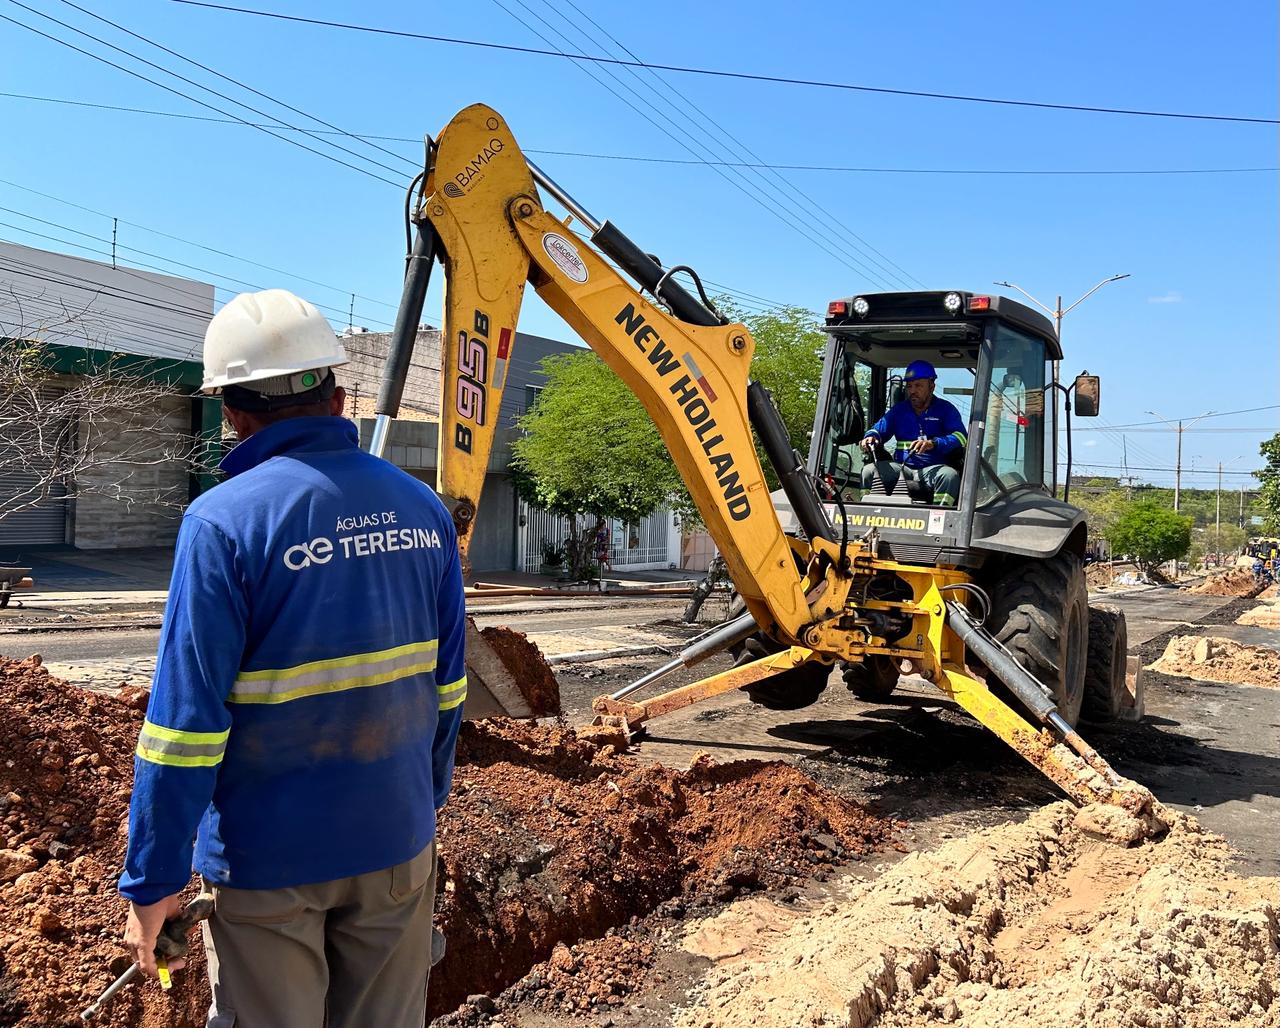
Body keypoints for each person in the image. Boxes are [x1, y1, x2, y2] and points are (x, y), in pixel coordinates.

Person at [119, 289, 467, 1028]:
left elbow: (185, 729)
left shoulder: (221, 523)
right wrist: (421, 806)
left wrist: (153, 884)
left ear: (233, 413)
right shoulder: (424, 509)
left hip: (266, 862)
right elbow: (449, 689)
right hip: (396, 842)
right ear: (338, 397)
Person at [859, 359, 967, 507]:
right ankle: (866, 513)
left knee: (950, 476)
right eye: (909, 386)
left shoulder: (946, 409)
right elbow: (877, 429)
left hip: (933, 469)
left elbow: (961, 437)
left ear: (932, 386)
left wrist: (933, 443)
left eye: (918, 386)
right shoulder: (899, 410)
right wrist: (870, 437)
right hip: (902, 468)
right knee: (868, 471)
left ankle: (938, 518)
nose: (912, 391)